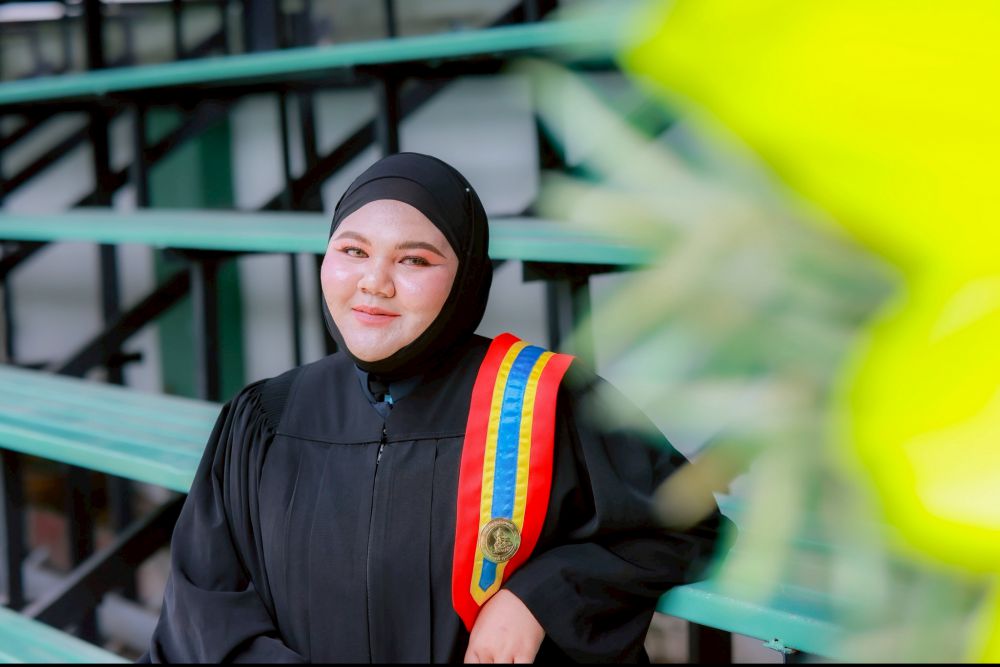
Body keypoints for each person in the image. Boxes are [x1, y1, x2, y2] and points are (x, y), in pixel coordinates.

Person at [140, 152, 732, 663]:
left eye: (415, 260)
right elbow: (205, 607)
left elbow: (685, 526)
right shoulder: (265, 419)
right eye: (353, 250)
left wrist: (542, 597)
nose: (375, 282)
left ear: (467, 278)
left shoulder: (543, 401)